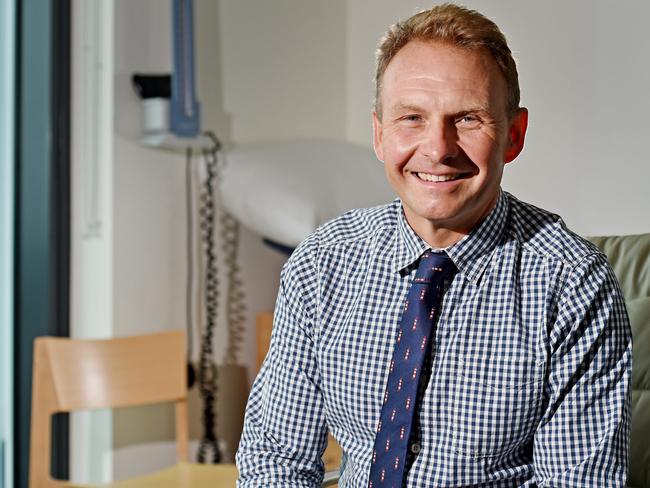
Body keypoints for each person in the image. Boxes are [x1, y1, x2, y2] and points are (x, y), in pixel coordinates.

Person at [236, 4, 632, 487]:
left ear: (514, 135)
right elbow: (276, 458)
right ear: (380, 134)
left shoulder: (571, 283)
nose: (438, 147)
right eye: (411, 118)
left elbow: (578, 483)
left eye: (467, 119)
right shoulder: (323, 261)